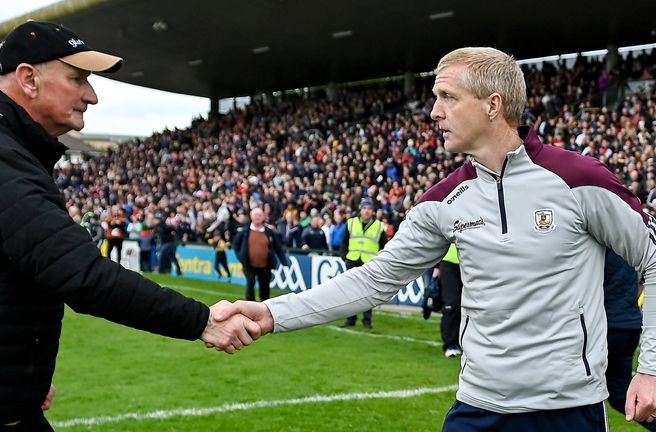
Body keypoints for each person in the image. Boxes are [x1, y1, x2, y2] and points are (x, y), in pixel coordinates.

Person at [215, 47, 656, 430]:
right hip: (478, 408)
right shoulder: (442, 201)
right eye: (434, 98)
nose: (434, 113)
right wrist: (272, 312)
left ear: (492, 105)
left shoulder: (580, 179)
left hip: (569, 410)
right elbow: (373, 280)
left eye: (447, 97)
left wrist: (651, 369)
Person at [0, 21, 259, 432]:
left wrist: (21, 379)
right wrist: (201, 320)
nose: (92, 95)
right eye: (78, 78)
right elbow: (83, 275)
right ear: (28, 79)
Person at [603, 248, 656, 431]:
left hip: (608, 326)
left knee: (581, 392)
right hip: (629, 325)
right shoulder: (628, 244)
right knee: (621, 396)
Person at [339, 197, 387, 329]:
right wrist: (345, 257)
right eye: (364, 208)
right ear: (360, 209)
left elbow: (384, 245)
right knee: (350, 292)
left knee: (368, 292)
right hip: (353, 259)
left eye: (369, 209)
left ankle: (367, 321)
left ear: (372, 211)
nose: (366, 211)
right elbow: (344, 241)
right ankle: (351, 319)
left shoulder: (379, 226)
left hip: (369, 263)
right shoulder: (351, 223)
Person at [233, 207, 288, 301]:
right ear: (251, 217)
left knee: (265, 286)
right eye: (255, 215)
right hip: (249, 264)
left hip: (265, 266)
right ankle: (250, 305)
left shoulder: (269, 232)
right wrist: (241, 258)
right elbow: (235, 244)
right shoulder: (245, 231)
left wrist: (284, 262)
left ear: (263, 217)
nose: (257, 217)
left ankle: (264, 305)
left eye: (259, 215)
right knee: (250, 283)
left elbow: (277, 247)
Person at [437, 243, 463, 358]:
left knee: (469, 306)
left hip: (470, 262)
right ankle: (450, 344)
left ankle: (465, 342)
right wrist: (436, 266)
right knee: (451, 304)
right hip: (448, 262)